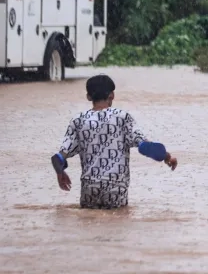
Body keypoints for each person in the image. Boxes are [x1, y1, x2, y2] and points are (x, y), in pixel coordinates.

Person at [51, 75, 178, 209]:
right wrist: (167, 156)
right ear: (112, 95)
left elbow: (57, 158)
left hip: (89, 188)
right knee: (117, 224)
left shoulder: (78, 121)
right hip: (116, 187)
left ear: (88, 96)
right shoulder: (122, 117)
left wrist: (60, 172)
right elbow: (145, 146)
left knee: (88, 223)